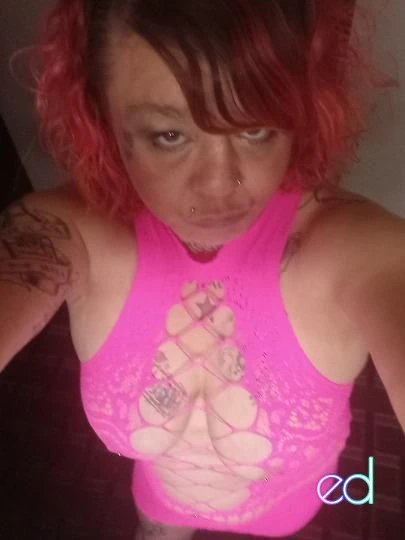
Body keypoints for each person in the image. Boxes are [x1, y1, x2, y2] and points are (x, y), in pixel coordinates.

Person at [1, 1, 402, 539]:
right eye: (170, 136)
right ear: (103, 118)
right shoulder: (72, 235)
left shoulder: (355, 249)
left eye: (256, 130)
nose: (220, 186)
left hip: (292, 510)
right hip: (158, 502)